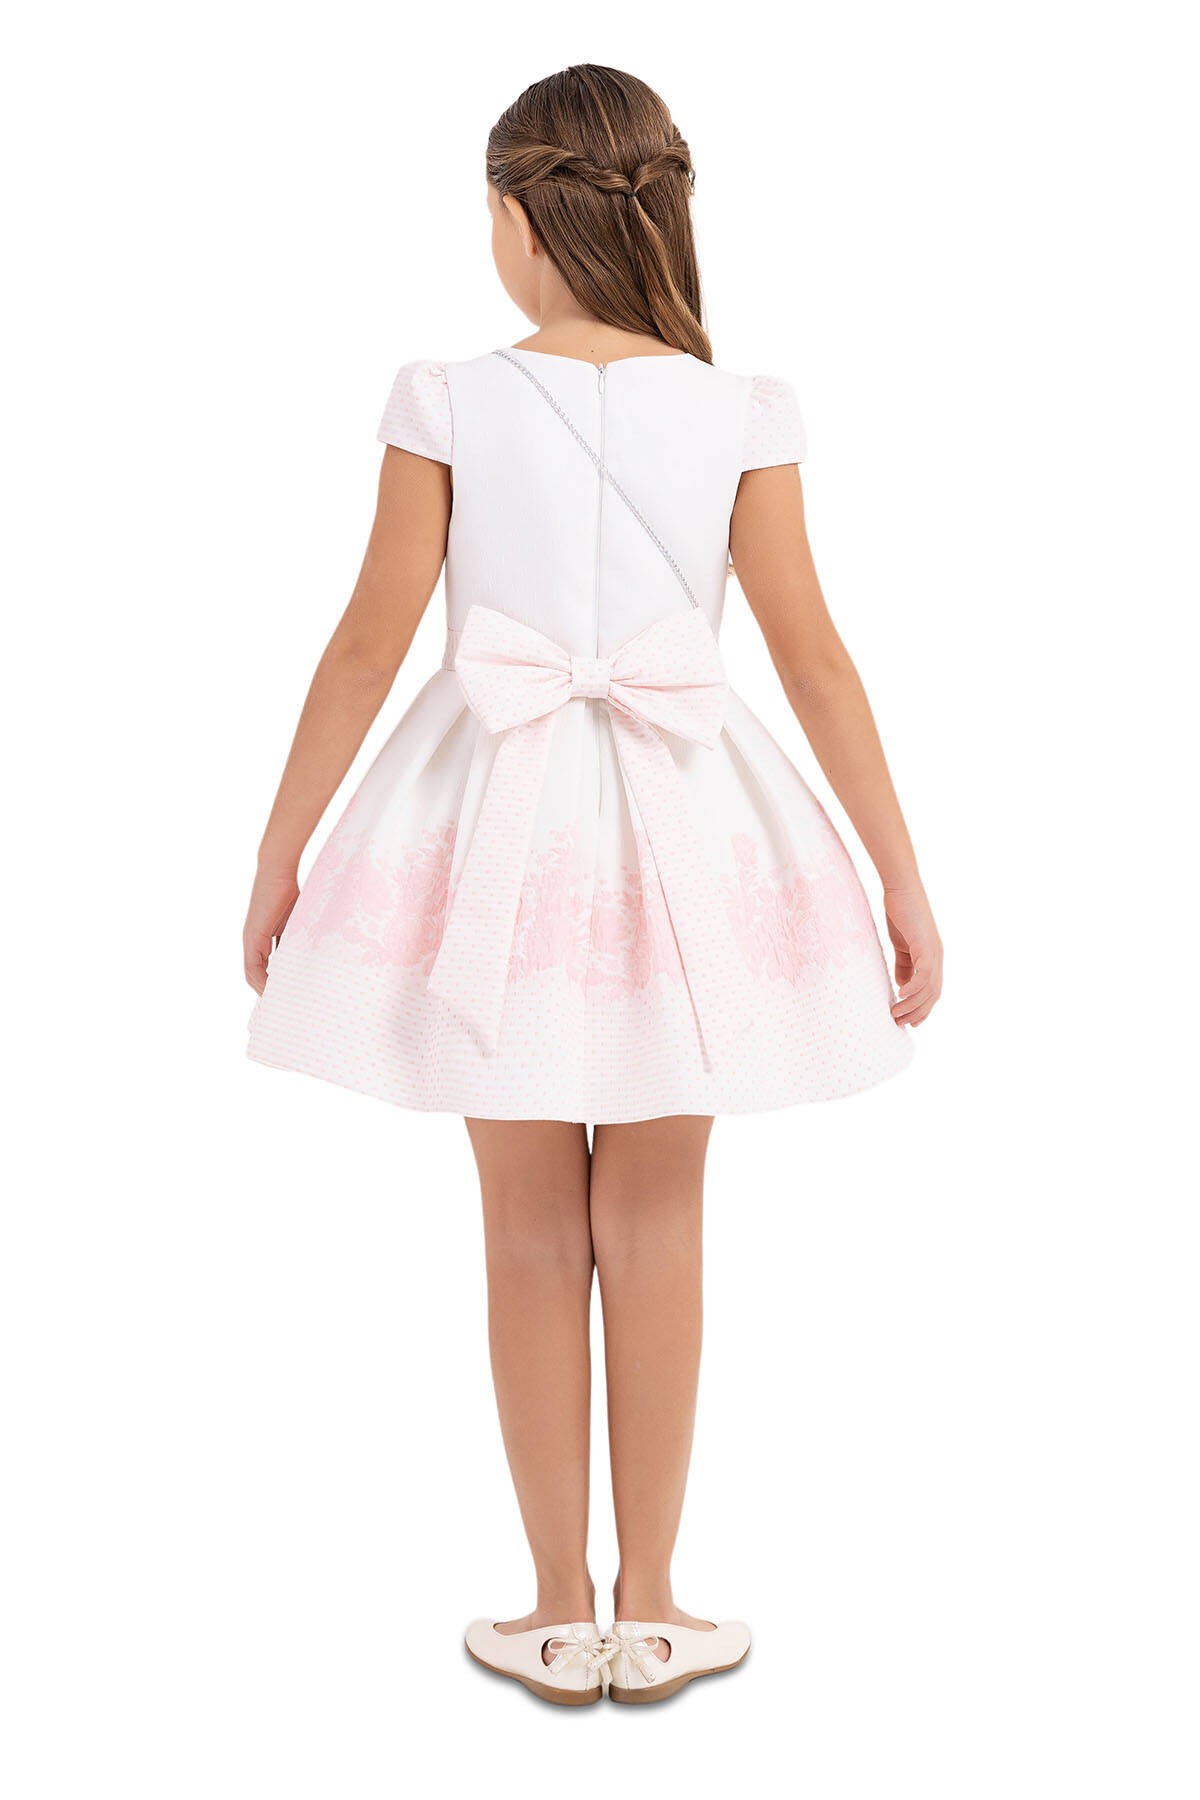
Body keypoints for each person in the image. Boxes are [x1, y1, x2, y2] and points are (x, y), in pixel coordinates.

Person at [244, 63, 942, 1706]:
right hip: (689, 831)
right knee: (662, 1212)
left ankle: (558, 1610)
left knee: (525, 1225)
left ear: (512, 216)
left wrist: (284, 848)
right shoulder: (744, 406)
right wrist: (900, 873)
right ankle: (661, 1604)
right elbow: (814, 658)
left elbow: (367, 643)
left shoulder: (445, 397)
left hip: (491, 830)